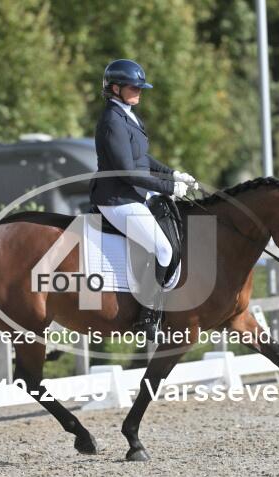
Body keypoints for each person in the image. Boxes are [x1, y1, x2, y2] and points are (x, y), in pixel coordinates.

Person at [89, 59, 197, 337]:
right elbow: (127, 171)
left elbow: (142, 158)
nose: (139, 91)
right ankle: (147, 319)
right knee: (163, 249)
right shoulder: (112, 121)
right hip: (117, 199)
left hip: (133, 194)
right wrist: (168, 188)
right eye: (133, 87)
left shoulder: (128, 115)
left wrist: (173, 173)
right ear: (115, 88)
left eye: (140, 87)